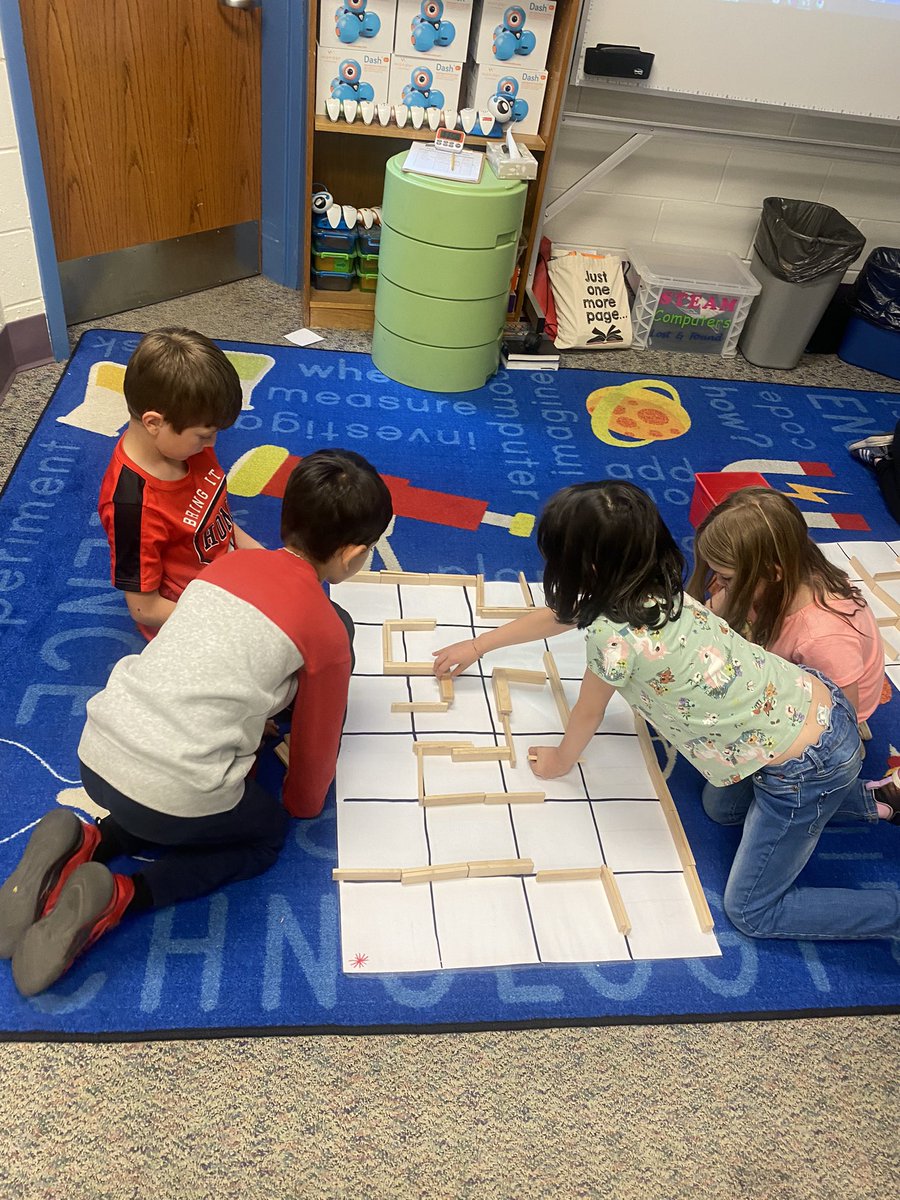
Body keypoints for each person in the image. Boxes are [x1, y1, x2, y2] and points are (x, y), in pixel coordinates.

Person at [433, 480, 900, 945]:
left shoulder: (613, 640)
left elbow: (588, 713)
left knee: (752, 911)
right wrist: (478, 644)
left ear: (588, 568)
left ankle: (890, 910)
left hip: (806, 765)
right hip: (814, 708)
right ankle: (874, 800)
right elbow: (563, 615)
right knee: (721, 810)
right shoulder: (654, 584)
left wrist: (560, 761)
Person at [0, 449, 392, 997]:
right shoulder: (327, 634)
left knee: (165, 780)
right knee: (261, 838)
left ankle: (90, 839)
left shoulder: (225, 565)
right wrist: (300, 804)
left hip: (98, 752)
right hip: (176, 791)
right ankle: (120, 896)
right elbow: (313, 761)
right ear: (352, 555)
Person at [686, 487, 897, 820]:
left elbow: (840, 723)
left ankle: (878, 802)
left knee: (722, 808)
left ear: (773, 573)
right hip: (792, 681)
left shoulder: (823, 637)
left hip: (832, 719)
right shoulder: (778, 576)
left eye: (726, 578)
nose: (719, 585)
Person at [99, 327, 263, 639]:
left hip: (225, 578)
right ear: (154, 423)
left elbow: (215, 516)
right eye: (204, 435)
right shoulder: (133, 507)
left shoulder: (188, 445)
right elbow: (143, 609)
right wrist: (224, 619)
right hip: (191, 614)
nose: (213, 442)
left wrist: (259, 556)